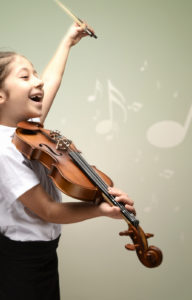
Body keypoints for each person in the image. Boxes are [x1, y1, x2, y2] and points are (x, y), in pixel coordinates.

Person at [0, 23, 135, 300]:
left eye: (35, 73)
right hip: (21, 259)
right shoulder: (4, 150)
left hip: (44, 252)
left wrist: (68, 41)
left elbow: (51, 83)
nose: (37, 81)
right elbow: (48, 210)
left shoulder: (27, 131)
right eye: (25, 77)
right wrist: (99, 209)